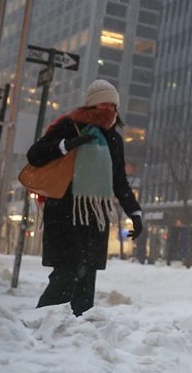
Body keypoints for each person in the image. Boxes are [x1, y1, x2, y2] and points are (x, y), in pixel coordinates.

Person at [26, 79, 143, 316]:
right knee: (67, 274)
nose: (109, 110)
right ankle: (38, 322)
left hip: (94, 217)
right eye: (103, 104)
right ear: (91, 105)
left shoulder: (113, 139)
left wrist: (135, 213)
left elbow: (119, 181)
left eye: (113, 105)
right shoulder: (69, 126)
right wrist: (67, 145)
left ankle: (76, 334)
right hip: (63, 213)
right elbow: (35, 155)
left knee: (86, 278)